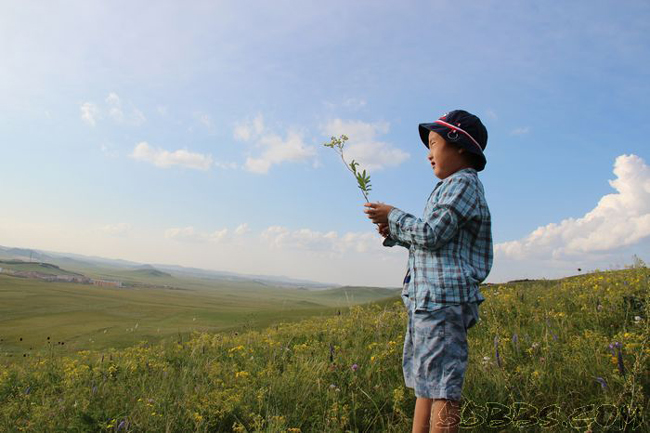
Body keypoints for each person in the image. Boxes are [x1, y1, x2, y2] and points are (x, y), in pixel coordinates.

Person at [364, 109, 493, 433]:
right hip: (429, 301)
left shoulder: (463, 184)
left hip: (443, 302)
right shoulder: (451, 186)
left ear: (459, 145)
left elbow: (431, 234)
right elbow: (437, 245)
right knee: (427, 383)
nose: (428, 154)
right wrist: (395, 233)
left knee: (443, 389)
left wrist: (394, 215)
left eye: (434, 143)